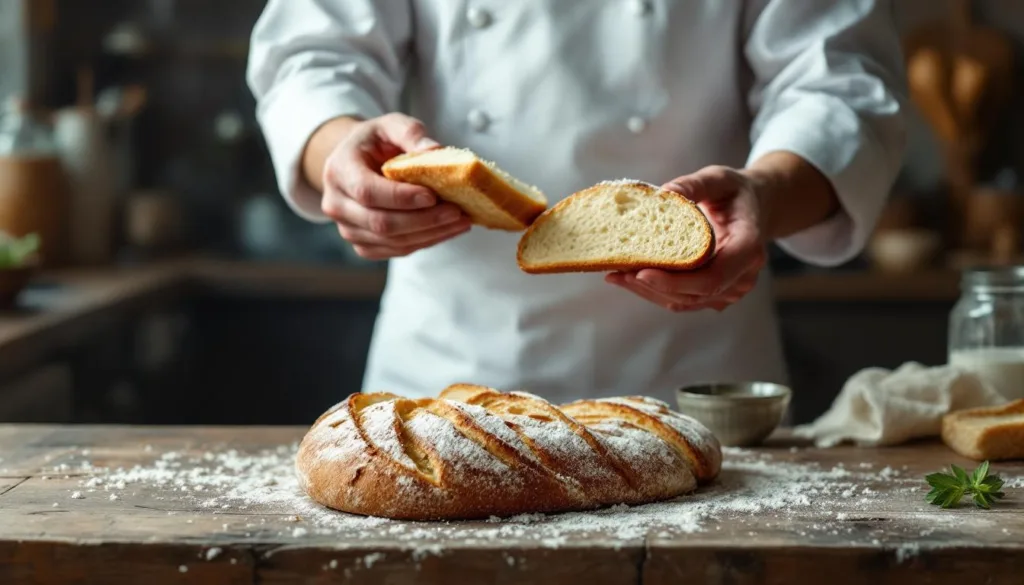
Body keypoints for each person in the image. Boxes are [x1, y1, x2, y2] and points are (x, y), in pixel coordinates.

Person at [246, 0, 907, 404]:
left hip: (692, 376)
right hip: (452, 370)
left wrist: (763, 193)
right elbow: (314, 53)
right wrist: (337, 149)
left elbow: (840, 83)